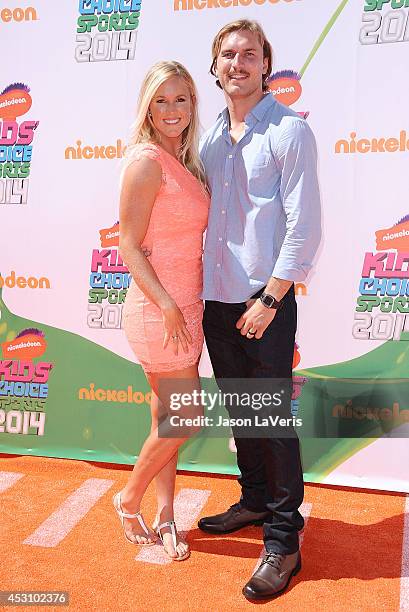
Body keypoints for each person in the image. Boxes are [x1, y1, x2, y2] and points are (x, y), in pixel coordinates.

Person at [197, 20, 321, 599]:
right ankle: (252, 501)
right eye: (228, 54)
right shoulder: (212, 139)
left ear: (265, 64)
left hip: (262, 298)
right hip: (216, 298)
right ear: (216, 65)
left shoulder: (289, 131)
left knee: (270, 420)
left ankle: (284, 539)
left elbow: (305, 225)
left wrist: (272, 297)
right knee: (243, 414)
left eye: (249, 54)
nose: (238, 63)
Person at [115, 61, 209, 561]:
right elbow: (128, 244)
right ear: (147, 108)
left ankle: (166, 512)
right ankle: (129, 498)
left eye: (180, 99)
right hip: (160, 310)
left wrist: (183, 306)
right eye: (161, 101)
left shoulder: (185, 161)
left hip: (187, 307)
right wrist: (168, 304)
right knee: (185, 415)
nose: (172, 110)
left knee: (166, 415)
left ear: (193, 104)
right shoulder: (145, 161)